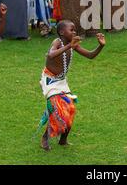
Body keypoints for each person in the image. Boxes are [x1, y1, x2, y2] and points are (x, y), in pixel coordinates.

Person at [39, 20, 106, 151]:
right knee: (58, 109)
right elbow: (51, 54)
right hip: (50, 80)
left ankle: (63, 140)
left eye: (75, 30)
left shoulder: (72, 45)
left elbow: (90, 55)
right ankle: (45, 138)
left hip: (61, 81)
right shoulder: (57, 42)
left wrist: (100, 46)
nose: (74, 32)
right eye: (72, 30)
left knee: (70, 109)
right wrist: (69, 46)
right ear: (62, 32)